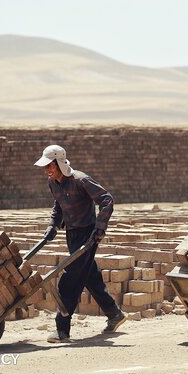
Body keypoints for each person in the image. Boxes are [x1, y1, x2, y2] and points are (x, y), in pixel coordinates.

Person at [34, 144, 127, 343]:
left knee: (70, 280)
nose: (47, 170)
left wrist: (100, 228)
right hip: (71, 233)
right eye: (45, 167)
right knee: (89, 276)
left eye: (50, 166)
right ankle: (114, 313)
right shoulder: (53, 183)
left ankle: (62, 329)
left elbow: (106, 199)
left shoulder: (80, 180)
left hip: (88, 234)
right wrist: (52, 224)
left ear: (59, 162)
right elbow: (58, 205)